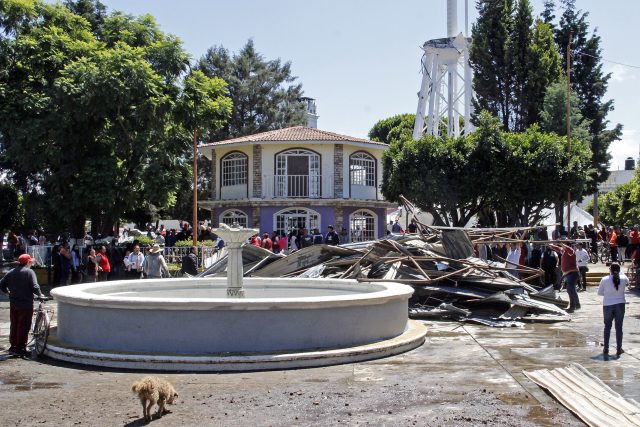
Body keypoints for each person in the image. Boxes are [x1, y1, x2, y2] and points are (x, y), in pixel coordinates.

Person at [0, 254, 45, 357]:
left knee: (14, 324)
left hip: (14, 303)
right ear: (28, 262)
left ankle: (13, 346)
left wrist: (7, 292)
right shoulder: (29, 272)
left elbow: (1, 284)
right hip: (26, 304)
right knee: (23, 325)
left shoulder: (11, 272)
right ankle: (21, 348)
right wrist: (40, 294)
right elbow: (34, 286)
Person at [597, 263, 628, 359]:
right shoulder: (623, 279)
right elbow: (626, 279)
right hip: (620, 304)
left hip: (608, 305)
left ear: (610, 270)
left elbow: (600, 293)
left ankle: (606, 348)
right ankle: (619, 348)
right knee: (619, 327)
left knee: (607, 327)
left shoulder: (605, 279)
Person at [549, 243, 581, 313]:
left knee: (570, 289)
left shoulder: (571, 251)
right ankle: (577, 304)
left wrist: (560, 242)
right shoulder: (564, 251)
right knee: (572, 289)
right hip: (569, 273)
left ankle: (572, 306)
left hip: (573, 273)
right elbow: (557, 248)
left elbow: (567, 248)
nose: (562, 248)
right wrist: (551, 245)